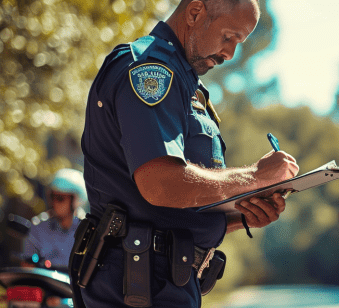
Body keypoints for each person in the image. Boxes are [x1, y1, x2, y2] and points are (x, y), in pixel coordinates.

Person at [72, 0, 299, 307]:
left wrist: (239, 215)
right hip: (136, 283)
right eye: (229, 36)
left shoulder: (184, 81)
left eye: (239, 43)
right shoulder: (152, 71)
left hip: (162, 281)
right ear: (195, 12)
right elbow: (160, 184)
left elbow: (169, 212)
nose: (230, 53)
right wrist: (254, 177)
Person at [24, 168, 88, 270]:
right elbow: (28, 263)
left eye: (60, 198)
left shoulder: (87, 229)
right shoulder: (38, 225)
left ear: (75, 200)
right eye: (53, 196)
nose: (55, 203)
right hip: (44, 283)